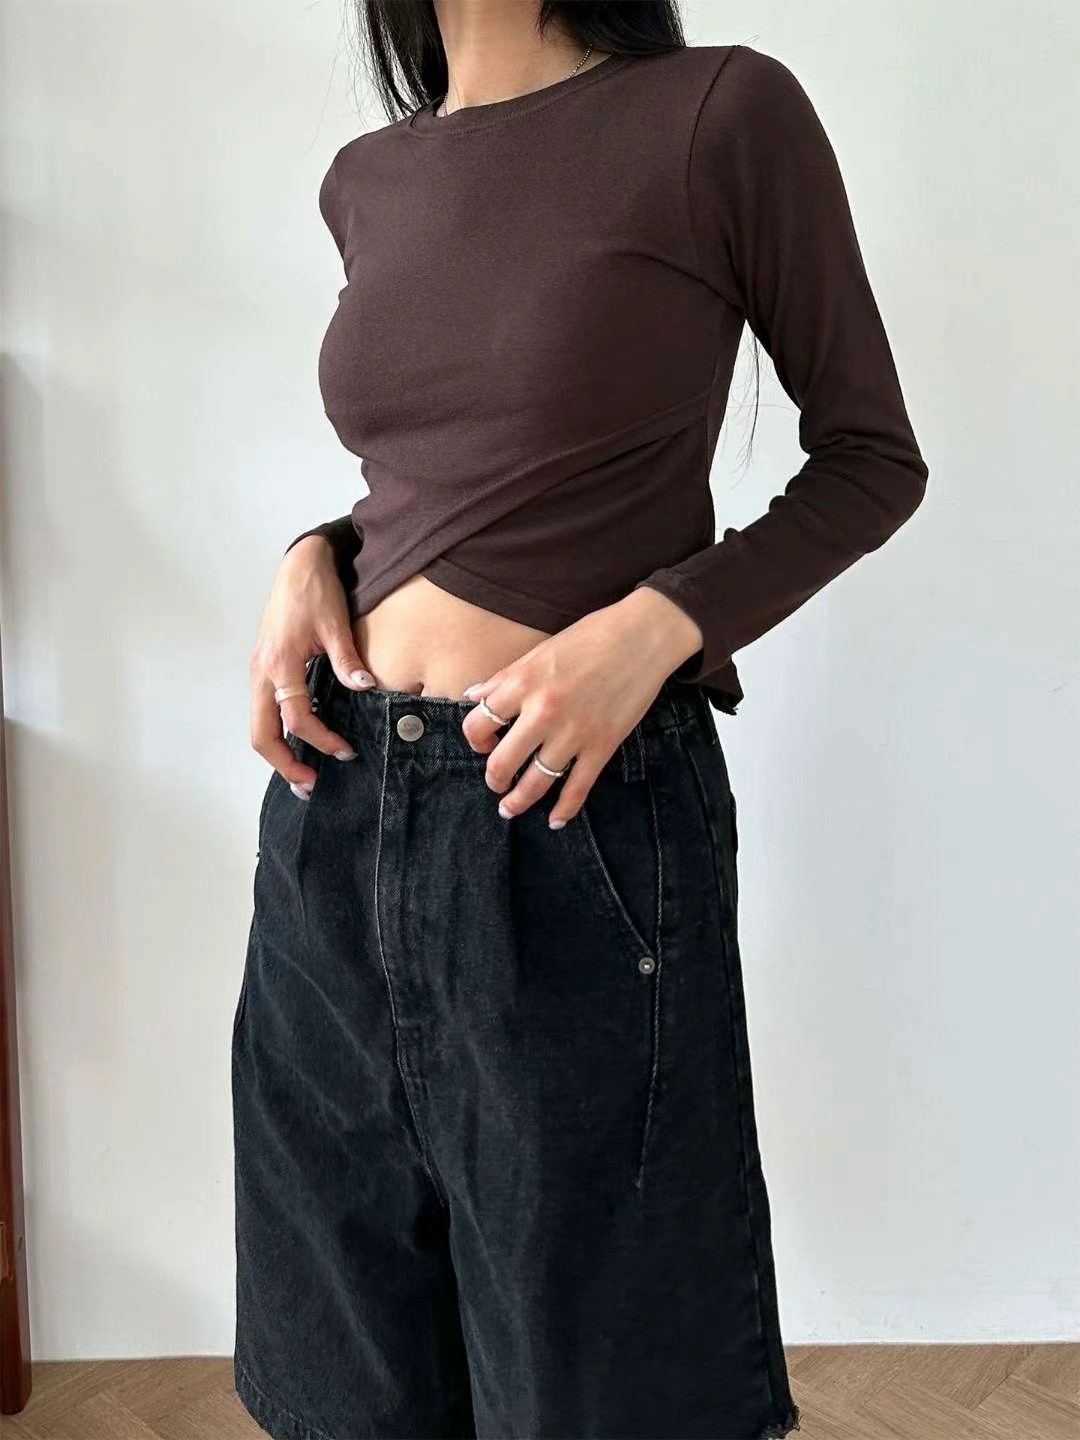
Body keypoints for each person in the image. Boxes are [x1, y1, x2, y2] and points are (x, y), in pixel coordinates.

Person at [231, 3, 928, 1437]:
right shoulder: (370, 178)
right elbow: (446, 477)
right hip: (335, 811)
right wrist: (316, 550)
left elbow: (872, 460)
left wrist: (661, 626)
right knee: (349, 1368)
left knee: (603, 1382)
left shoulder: (717, 114)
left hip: (569, 814)